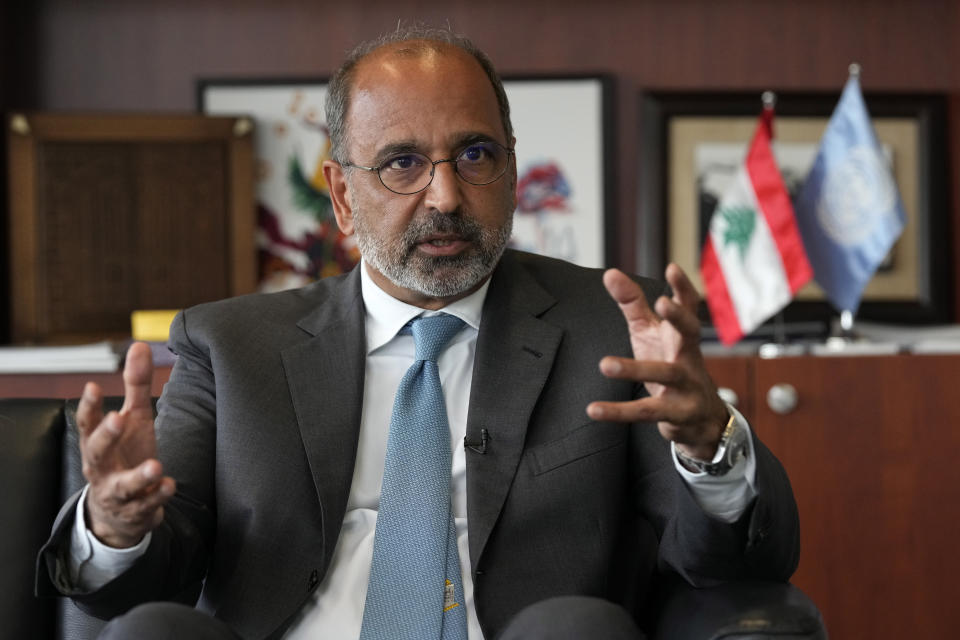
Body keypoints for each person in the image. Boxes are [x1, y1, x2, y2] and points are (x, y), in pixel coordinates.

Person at [37, 26, 799, 640]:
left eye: (474, 155)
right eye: (401, 163)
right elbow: (134, 588)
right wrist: (113, 523)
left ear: (509, 166)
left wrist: (710, 448)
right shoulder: (234, 347)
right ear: (341, 194)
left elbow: (737, 565)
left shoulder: (610, 324)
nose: (445, 195)